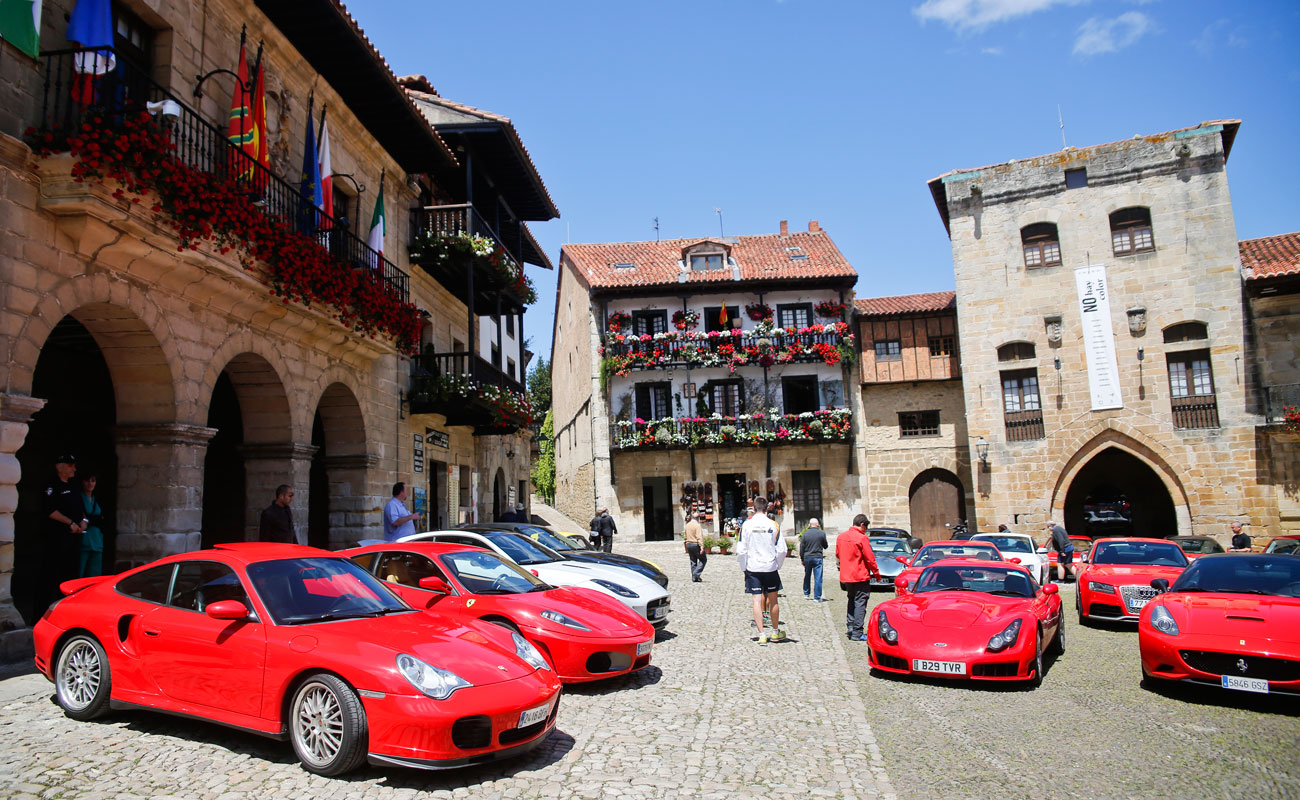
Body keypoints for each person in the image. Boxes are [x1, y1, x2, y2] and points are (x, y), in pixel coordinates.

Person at [40, 454, 85, 615]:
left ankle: (65, 612)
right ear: (60, 467)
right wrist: (70, 523)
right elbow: (50, 510)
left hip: (74, 539)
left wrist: (84, 521)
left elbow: (81, 508)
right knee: (50, 576)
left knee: (70, 578)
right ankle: (42, 613)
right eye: (70, 465)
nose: (74, 469)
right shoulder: (52, 486)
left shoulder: (74, 486)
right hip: (57, 539)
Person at [738, 496, 784, 644]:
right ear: (766, 509)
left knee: (756, 601)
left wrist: (744, 567)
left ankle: (762, 634)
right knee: (774, 600)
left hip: (753, 567)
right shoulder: (774, 525)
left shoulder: (747, 525)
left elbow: (741, 550)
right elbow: (782, 549)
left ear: (754, 508)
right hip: (770, 566)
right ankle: (775, 632)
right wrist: (777, 564)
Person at [835, 513, 880, 641]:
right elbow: (870, 558)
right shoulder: (862, 538)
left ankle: (850, 626)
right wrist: (876, 574)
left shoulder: (841, 537)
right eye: (865, 528)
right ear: (862, 525)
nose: (865, 530)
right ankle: (857, 632)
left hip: (846, 576)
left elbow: (838, 554)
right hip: (860, 575)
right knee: (860, 602)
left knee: (851, 599)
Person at [79, 470, 105, 577]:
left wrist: (90, 520)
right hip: (83, 541)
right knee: (79, 573)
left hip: (97, 540)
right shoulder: (78, 498)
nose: (90, 483)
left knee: (95, 575)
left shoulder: (98, 499)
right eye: (87, 480)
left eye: (93, 481)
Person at [799, 518, 829, 602]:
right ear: (817, 525)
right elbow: (825, 546)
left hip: (807, 557)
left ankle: (806, 593)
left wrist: (802, 558)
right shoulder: (821, 534)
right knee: (818, 578)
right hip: (817, 557)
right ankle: (817, 597)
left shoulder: (805, 534)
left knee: (807, 575)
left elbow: (802, 547)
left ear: (809, 525)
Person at [683, 511, 707, 582]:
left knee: (693, 561)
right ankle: (696, 573)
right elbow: (699, 537)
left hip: (688, 544)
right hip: (695, 544)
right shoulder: (697, 525)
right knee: (703, 559)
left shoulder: (687, 525)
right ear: (698, 518)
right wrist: (702, 547)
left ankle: (694, 578)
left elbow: (685, 536)